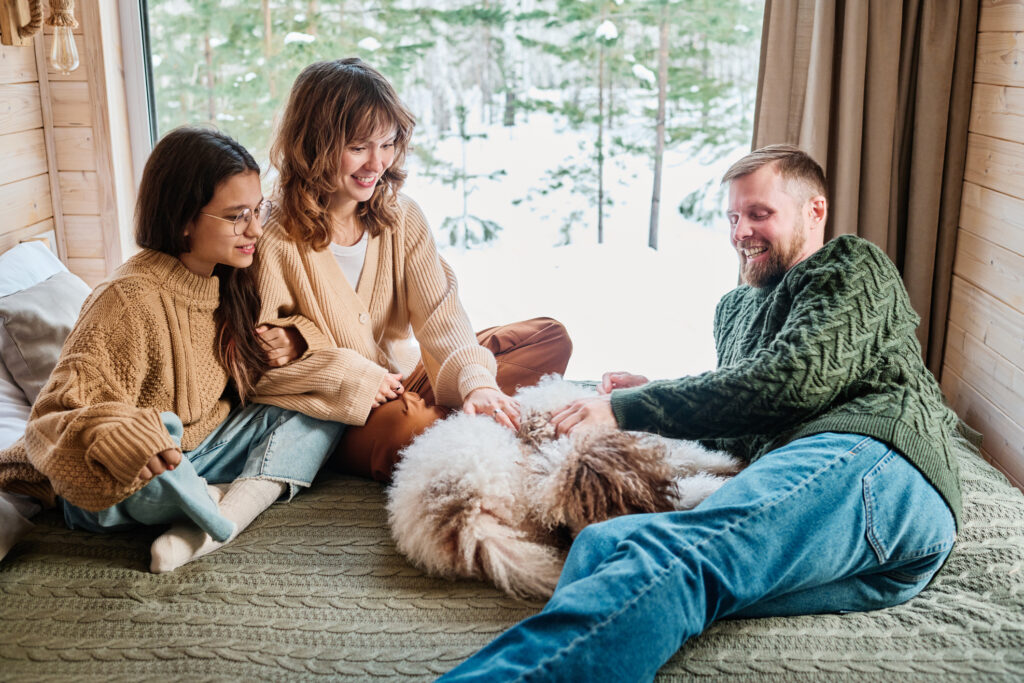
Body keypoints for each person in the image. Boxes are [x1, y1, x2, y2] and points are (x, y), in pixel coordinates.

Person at [439, 144, 968, 682]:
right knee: (604, 545)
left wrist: (627, 408)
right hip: (870, 562)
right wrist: (657, 389)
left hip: (880, 465)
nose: (741, 232)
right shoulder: (735, 308)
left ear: (814, 212)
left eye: (759, 214)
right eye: (733, 218)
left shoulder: (849, 265)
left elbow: (790, 381)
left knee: (671, 557)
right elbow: (744, 408)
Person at [0, 127, 345, 573]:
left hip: (200, 455)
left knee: (324, 403)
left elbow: (293, 336)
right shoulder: (126, 299)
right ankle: (200, 501)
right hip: (127, 479)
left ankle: (221, 514)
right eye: (237, 215)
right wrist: (127, 439)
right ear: (184, 218)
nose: (255, 229)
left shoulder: (229, 278)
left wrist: (299, 339)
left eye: (257, 210)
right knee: (158, 431)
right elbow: (51, 416)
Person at [250, 58, 572, 482]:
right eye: (358, 147)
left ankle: (468, 416)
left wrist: (477, 384)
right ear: (315, 144)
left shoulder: (402, 216)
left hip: (409, 378)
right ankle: (473, 430)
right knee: (411, 426)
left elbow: (441, 315)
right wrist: (345, 370)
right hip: (341, 411)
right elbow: (255, 369)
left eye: (386, 144)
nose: (376, 163)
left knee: (549, 336)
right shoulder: (272, 237)